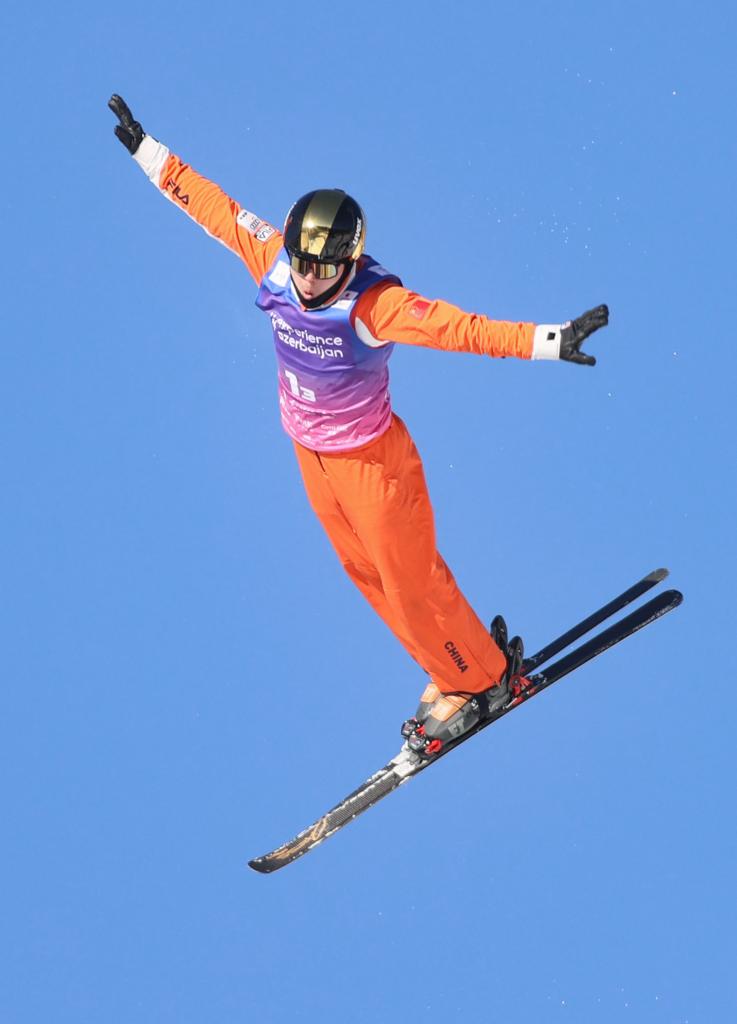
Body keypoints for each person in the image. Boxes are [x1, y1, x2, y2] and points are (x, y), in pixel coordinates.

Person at [108, 94, 609, 756]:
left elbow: (459, 329)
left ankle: (482, 678)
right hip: (310, 453)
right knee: (366, 573)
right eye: (302, 261)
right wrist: (149, 152)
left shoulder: (374, 304)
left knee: (407, 577)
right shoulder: (277, 262)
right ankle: (448, 669)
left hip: (372, 461)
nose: (308, 277)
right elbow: (216, 210)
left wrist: (548, 340)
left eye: (323, 267)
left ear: (348, 260)